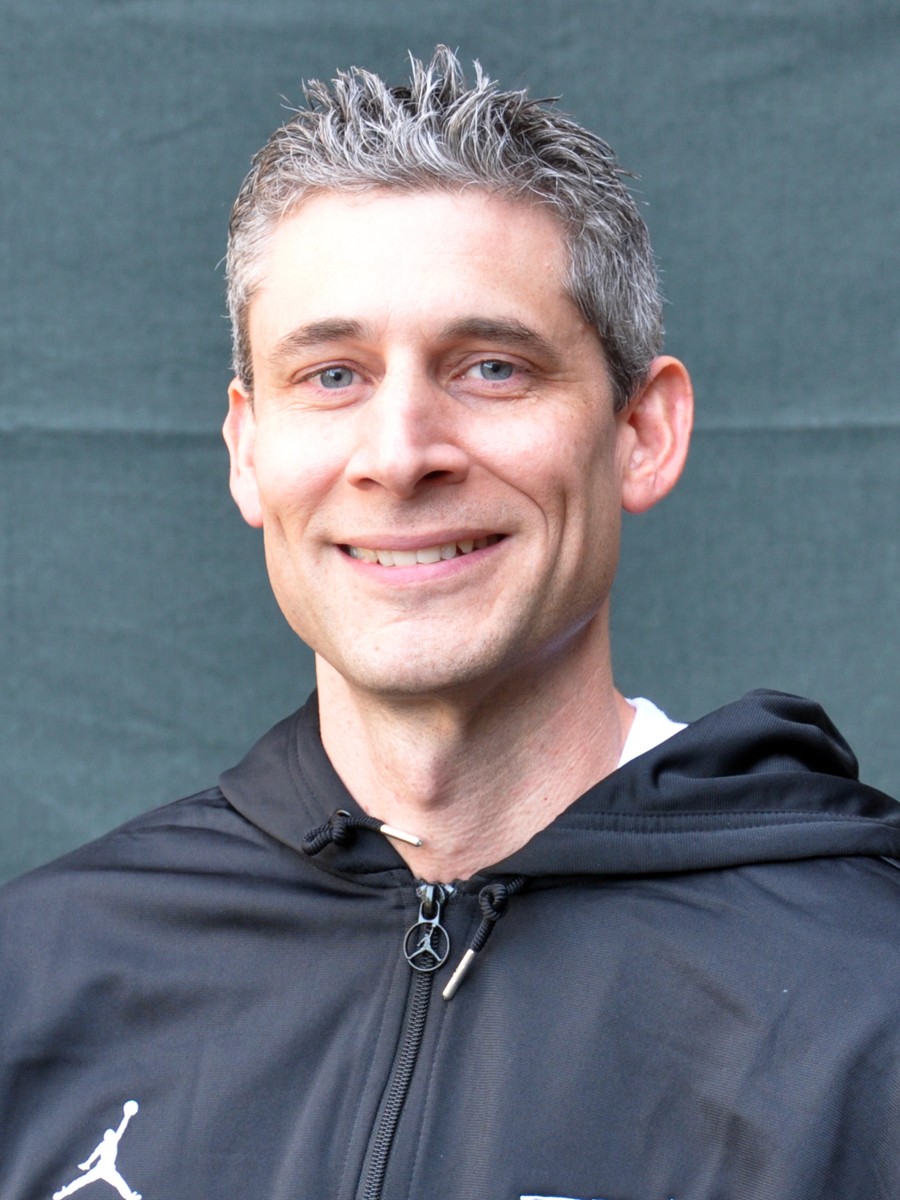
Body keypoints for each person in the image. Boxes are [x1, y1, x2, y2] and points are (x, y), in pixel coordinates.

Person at [1, 45, 899, 1200]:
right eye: (332, 375)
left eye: (490, 367)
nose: (399, 453)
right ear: (248, 449)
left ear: (643, 432)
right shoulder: (39, 983)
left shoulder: (864, 1001)